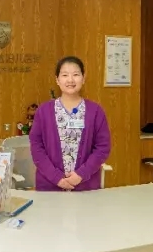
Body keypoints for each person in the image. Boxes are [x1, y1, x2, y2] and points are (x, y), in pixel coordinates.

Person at [29, 56, 112, 192]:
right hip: (50, 188)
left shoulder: (96, 111)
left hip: (85, 188)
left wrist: (81, 174)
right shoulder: (43, 111)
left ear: (83, 78)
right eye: (65, 75)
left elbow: (102, 148)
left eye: (76, 74)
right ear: (57, 80)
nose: (70, 80)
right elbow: (36, 147)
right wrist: (57, 178)